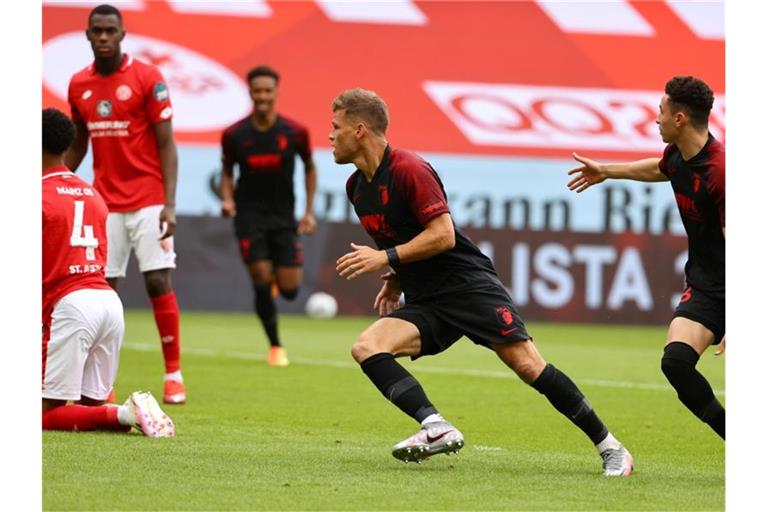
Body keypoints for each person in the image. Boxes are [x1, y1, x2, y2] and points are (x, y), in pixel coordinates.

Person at [330, 88, 633, 476]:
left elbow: (443, 236)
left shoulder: (409, 169)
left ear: (359, 130)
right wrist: (395, 276)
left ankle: (613, 448)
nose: (330, 136)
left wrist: (385, 258)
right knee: (367, 347)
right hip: (428, 298)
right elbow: (402, 237)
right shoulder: (356, 187)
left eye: (335, 127)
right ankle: (435, 426)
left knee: (527, 366)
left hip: (467, 286)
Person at [566, 75, 725, 439]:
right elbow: (660, 168)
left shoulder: (720, 173)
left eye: (661, 111)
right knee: (677, 363)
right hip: (706, 286)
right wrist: (606, 170)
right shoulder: (679, 157)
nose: (656, 118)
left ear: (680, 118)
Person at [65, 4, 185, 404]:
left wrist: (169, 203)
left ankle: (173, 375)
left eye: (109, 31)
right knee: (100, 291)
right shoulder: (78, 84)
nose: (102, 37)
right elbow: (79, 142)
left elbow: (167, 143)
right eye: (96, 31)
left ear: (121, 34)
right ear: (87, 35)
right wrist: (55, 182)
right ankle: (99, 383)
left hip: (149, 198)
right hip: (104, 203)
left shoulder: (147, 78)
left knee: (156, 280)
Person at [42, 108, 175, 437]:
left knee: (43, 415)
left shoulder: (37, 194)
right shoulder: (92, 194)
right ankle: (125, 415)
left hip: (71, 307)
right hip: (108, 304)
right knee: (89, 413)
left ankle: (126, 412)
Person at [220, 65, 317, 367]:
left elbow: (309, 168)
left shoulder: (295, 132)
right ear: (250, 92)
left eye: (267, 90)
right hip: (249, 218)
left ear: (276, 92)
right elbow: (226, 172)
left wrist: (309, 211)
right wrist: (227, 199)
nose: (262, 96)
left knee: (289, 291)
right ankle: (276, 346)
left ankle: (276, 277)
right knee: (261, 279)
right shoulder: (235, 134)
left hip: (283, 219)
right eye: (256, 91)